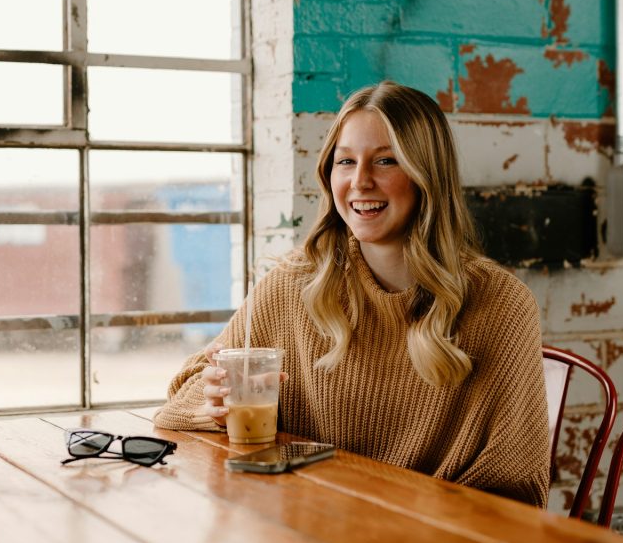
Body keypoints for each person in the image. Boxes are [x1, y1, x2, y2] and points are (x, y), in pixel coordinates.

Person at [154, 81, 550, 507]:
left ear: (426, 176)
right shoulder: (293, 284)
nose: (360, 181)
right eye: (346, 161)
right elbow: (177, 404)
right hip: (309, 534)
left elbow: (516, 491)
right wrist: (213, 402)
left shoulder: (502, 304)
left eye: (385, 160)